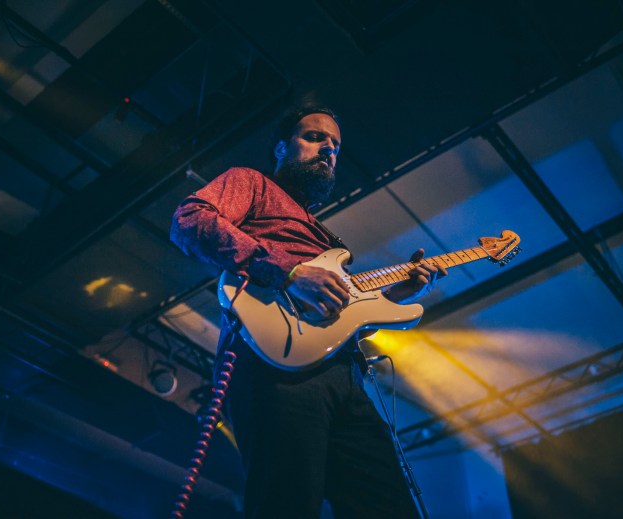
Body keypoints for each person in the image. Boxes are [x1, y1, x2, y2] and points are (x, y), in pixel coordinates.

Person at [170, 106, 446, 518]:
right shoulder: (252, 183)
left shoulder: (323, 235)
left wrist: (395, 294)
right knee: (287, 503)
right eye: (315, 138)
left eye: (334, 146)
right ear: (281, 147)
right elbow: (190, 221)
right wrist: (290, 271)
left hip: (343, 376)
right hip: (273, 366)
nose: (328, 150)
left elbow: (338, 312)